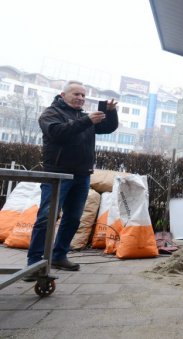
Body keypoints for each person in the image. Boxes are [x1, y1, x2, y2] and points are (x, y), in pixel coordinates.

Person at [24, 81, 118, 280]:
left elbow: (108, 127)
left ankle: (59, 255)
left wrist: (110, 112)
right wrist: (87, 121)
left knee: (73, 219)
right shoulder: (50, 114)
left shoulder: (83, 117)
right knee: (46, 218)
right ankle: (33, 262)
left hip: (82, 175)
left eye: (83, 96)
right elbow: (59, 133)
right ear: (63, 95)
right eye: (77, 94)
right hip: (57, 175)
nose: (81, 98)